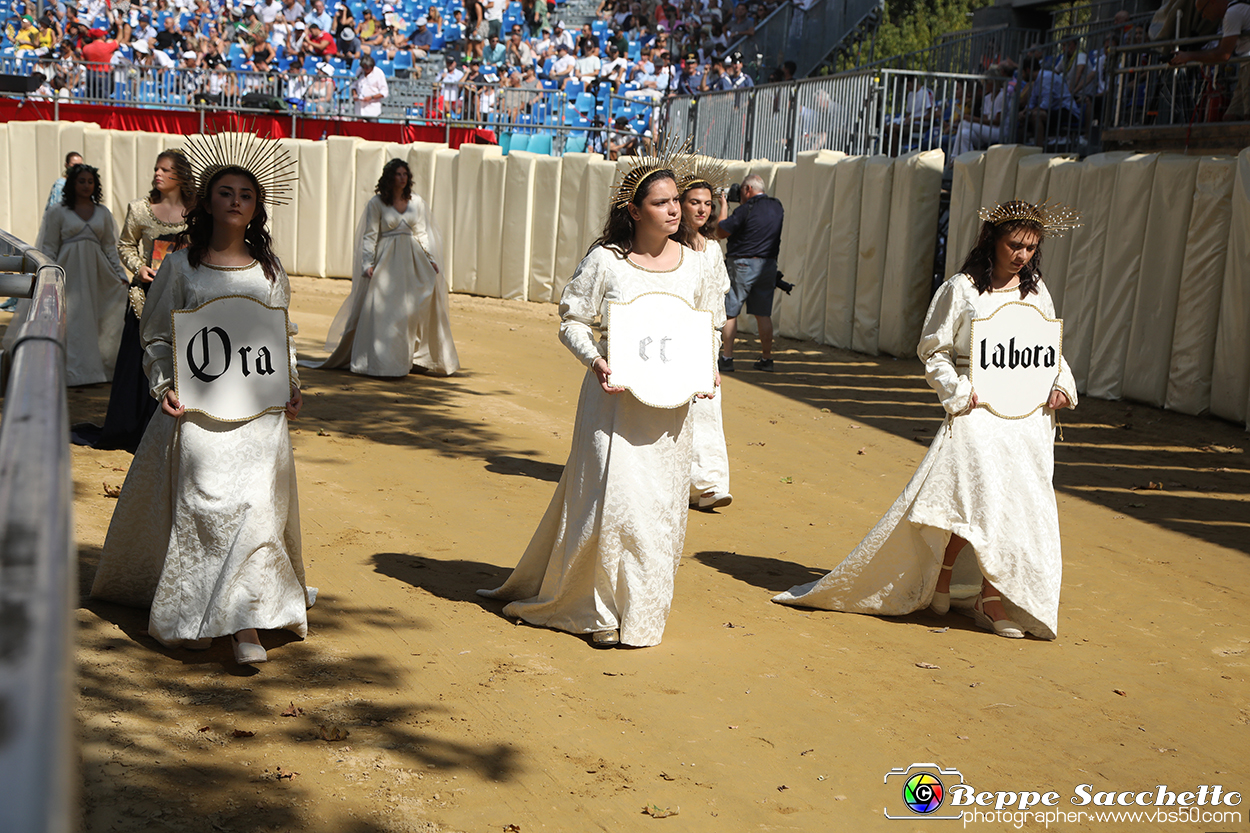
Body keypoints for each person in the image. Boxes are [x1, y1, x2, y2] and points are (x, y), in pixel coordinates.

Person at [773, 201, 1080, 640]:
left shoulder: (1036, 292)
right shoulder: (961, 289)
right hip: (975, 410)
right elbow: (933, 351)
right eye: (1014, 245)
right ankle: (945, 575)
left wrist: (1062, 386)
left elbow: (1049, 347)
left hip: (1027, 417)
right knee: (974, 501)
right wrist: (958, 392)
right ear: (992, 240)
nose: (1022, 256)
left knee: (1013, 505)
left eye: (1031, 248)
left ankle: (988, 598)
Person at [478, 150, 726, 648]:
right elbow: (572, 320)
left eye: (677, 200)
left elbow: (710, 325)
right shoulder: (605, 262)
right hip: (612, 406)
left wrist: (707, 365)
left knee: (657, 511)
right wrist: (595, 360)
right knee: (612, 505)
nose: (675, 210)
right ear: (635, 211)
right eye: (662, 203)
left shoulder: (698, 267)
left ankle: (641, 608)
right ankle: (597, 611)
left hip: (669, 411)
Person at [91, 134, 311, 666]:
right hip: (199, 413)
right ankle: (194, 612)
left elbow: (281, 338)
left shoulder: (270, 270)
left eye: (246, 194)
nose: (236, 200)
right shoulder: (181, 267)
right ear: (206, 201)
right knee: (205, 505)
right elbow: (157, 336)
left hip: (259, 414)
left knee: (258, 509)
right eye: (226, 191)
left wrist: (293, 384)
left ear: (256, 208)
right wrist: (165, 385)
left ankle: (246, 626)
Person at [81, 150, 195, 451]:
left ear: (181, 176)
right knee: (136, 364)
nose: (157, 174)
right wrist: (139, 267)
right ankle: (130, 427)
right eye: (156, 168)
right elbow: (125, 244)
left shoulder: (198, 211)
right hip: (143, 299)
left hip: (183, 301)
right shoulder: (139, 209)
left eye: (165, 170)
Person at [310, 158, 459, 377]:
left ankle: (411, 357)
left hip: (412, 261)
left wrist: (431, 259)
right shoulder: (376, 203)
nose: (402, 178)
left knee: (410, 311)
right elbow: (370, 236)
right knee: (385, 312)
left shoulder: (416, 202)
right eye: (398, 174)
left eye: (405, 174)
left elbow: (422, 233)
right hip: (387, 262)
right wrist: (367, 263)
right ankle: (383, 363)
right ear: (389, 177)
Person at [3, 164, 128, 386]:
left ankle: (99, 371)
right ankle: (69, 372)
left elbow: (110, 247)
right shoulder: (58, 212)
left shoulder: (103, 213)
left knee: (99, 321)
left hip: (97, 275)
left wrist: (120, 275)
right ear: (72, 183)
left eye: (90, 181)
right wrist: (47, 274)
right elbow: (49, 247)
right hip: (68, 273)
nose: (86, 185)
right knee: (72, 320)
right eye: (82, 181)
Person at [681, 159, 733, 511]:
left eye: (707, 203)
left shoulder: (713, 250)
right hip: (670, 338)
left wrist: (712, 350)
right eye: (694, 202)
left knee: (707, 409)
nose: (702, 209)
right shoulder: (669, 247)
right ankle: (680, 480)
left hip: (702, 341)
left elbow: (717, 306)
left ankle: (710, 483)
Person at [714, 173, 783, 372]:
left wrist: (724, 206)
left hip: (742, 264)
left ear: (747, 190)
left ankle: (727, 358)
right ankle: (767, 358)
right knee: (763, 314)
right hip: (768, 265)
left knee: (731, 312)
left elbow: (720, 231)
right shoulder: (777, 206)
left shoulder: (746, 209)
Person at [1168, 0, 1250, 121]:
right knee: (1230, 117)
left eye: (1203, 10)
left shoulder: (1233, 13)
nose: (1203, 16)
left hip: (1248, 65)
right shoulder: (1234, 11)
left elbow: (1223, 55)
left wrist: (1189, 56)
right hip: (1245, 65)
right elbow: (1220, 50)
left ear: (1212, 2)